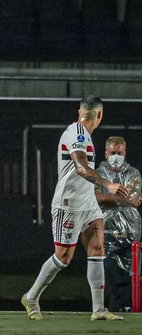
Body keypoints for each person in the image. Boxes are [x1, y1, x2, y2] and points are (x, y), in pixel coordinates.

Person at [21, 96, 129, 321]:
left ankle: (98, 309)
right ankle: (31, 297)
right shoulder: (78, 133)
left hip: (88, 203)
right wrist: (108, 184)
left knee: (97, 248)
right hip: (68, 205)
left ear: (79, 110)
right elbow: (80, 168)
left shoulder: (84, 135)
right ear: (99, 115)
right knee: (63, 258)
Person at [95, 136, 142, 312]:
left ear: (125, 153)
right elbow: (95, 198)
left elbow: (133, 199)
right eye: (112, 153)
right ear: (106, 153)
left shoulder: (133, 173)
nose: (116, 156)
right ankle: (117, 306)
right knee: (110, 268)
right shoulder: (98, 175)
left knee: (130, 271)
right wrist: (122, 198)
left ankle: (126, 306)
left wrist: (106, 198)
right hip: (106, 230)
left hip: (130, 230)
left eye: (119, 153)